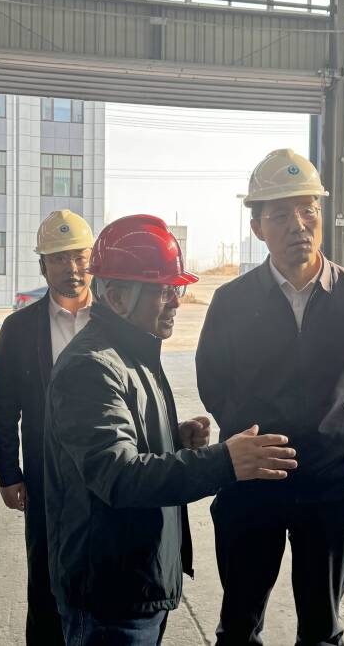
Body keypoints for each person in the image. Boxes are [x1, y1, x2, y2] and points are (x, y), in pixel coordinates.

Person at [44, 214, 299, 646]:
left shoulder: (133, 351)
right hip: (111, 597)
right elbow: (118, 475)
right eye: (164, 291)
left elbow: (123, 444)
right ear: (118, 298)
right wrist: (224, 462)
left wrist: (172, 439)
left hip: (135, 582)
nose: (177, 302)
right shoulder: (91, 367)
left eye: (176, 289)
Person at [196, 149, 344, 646]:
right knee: (238, 626)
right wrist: (252, 437)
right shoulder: (231, 302)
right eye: (280, 214)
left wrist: (330, 433)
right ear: (257, 227)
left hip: (333, 486)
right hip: (252, 482)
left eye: (308, 210)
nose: (298, 225)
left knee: (322, 629)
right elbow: (212, 383)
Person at [0, 209, 95, 645]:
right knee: (46, 579)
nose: (72, 268)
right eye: (59, 258)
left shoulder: (115, 320)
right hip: (44, 476)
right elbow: (3, 405)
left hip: (108, 472)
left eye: (79, 256)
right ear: (43, 266)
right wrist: (8, 472)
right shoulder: (19, 329)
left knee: (103, 577)